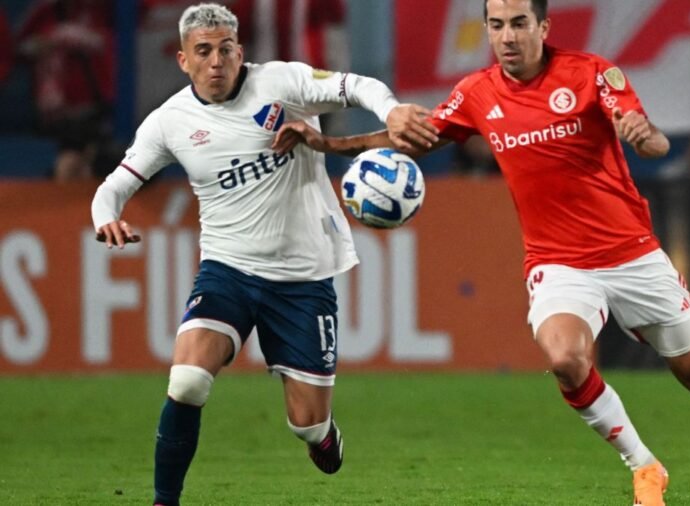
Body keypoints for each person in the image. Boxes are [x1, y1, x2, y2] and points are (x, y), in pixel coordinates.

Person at [272, 1, 690, 504]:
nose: (507, 36)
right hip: (558, 263)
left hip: (631, 253)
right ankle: (645, 466)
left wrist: (641, 133)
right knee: (565, 359)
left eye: (518, 24)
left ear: (543, 27)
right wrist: (328, 144)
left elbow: (655, 144)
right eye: (496, 25)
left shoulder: (591, 73)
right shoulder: (477, 92)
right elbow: (415, 138)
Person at [89, 3, 434, 505]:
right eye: (202, 51)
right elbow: (113, 187)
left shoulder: (282, 83)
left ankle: (322, 433)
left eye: (224, 49)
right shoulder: (168, 123)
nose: (215, 61)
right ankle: (165, 500)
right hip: (227, 271)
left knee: (307, 424)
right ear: (183, 60)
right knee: (187, 381)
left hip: (303, 278)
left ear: (240, 51)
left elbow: (356, 85)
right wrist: (106, 217)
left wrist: (391, 110)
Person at [17, 0, 116, 182]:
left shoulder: (101, 10)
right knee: (67, 162)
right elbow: (21, 48)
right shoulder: (44, 12)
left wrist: (77, 37)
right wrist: (47, 41)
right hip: (54, 110)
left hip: (93, 107)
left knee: (92, 162)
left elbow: (113, 44)